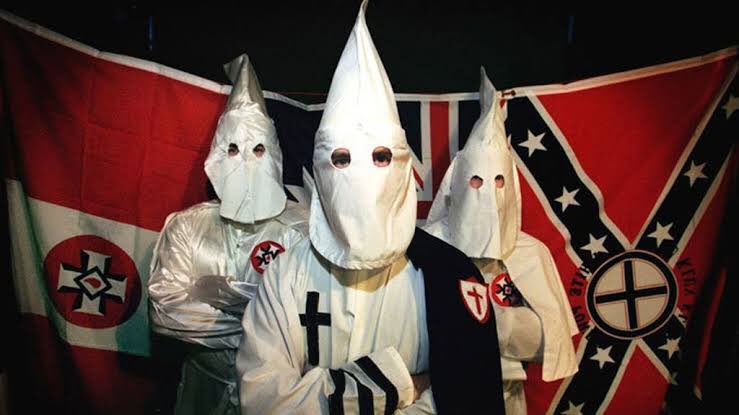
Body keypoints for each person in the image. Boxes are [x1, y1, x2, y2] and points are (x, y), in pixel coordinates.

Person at [236, 1, 505, 414]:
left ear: (404, 167)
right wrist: (403, 385)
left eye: (380, 157)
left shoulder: (449, 274)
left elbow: (465, 399)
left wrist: (318, 393)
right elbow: (263, 401)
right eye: (341, 159)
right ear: (320, 171)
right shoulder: (287, 275)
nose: (361, 174)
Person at [148, 53, 307, 415]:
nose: (245, 161)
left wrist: (216, 298)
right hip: (203, 392)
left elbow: (309, 318)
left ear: (274, 154)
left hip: (280, 395)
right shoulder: (187, 226)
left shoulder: (302, 228)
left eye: (258, 150)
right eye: (233, 149)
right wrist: (259, 321)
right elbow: (165, 309)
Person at [424, 67, 579, 415]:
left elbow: (551, 343)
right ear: (457, 182)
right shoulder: (428, 246)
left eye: (498, 181)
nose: (488, 194)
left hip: (508, 400)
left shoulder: (531, 252)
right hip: (435, 396)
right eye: (476, 181)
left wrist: (496, 323)